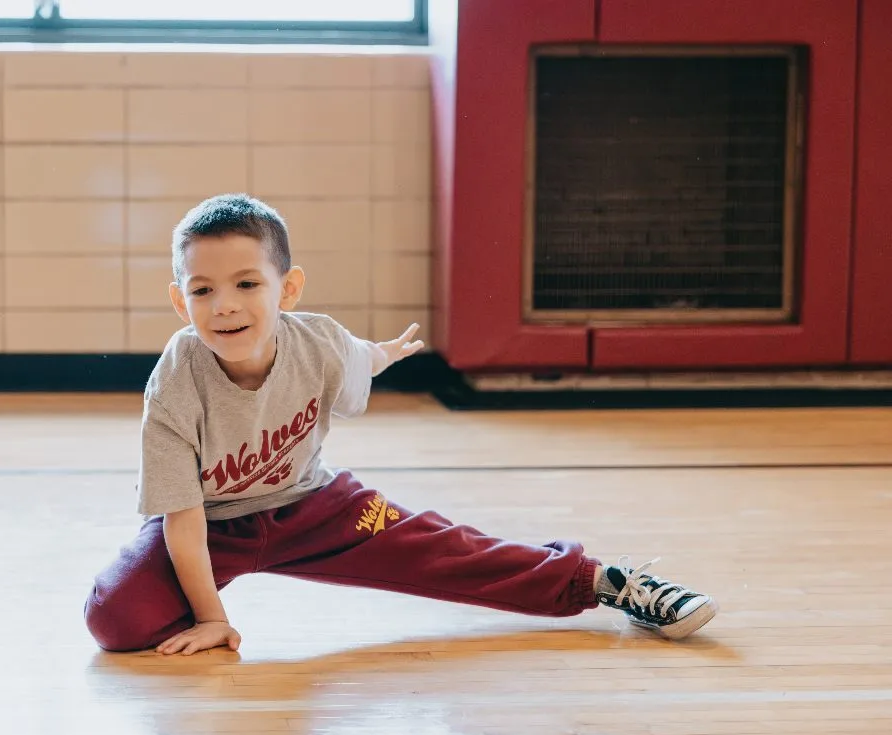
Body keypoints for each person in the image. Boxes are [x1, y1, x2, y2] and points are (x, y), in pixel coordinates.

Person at [84, 193, 717, 656]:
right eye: (201, 291)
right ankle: (186, 602)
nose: (224, 305)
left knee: (447, 550)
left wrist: (388, 353)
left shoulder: (321, 344)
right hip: (212, 523)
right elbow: (184, 520)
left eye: (247, 283)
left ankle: (606, 582)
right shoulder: (175, 383)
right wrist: (211, 617)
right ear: (180, 300)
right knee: (115, 620)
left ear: (289, 288)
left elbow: (362, 357)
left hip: (313, 507)